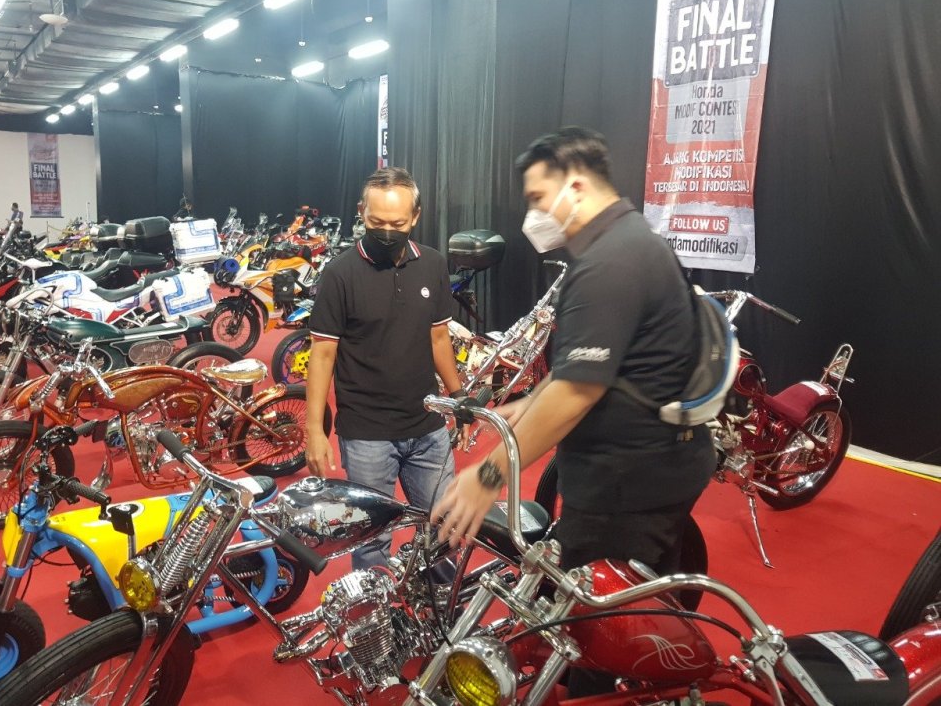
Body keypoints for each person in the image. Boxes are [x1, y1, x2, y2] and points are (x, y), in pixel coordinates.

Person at [432, 126, 716, 693]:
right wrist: (527, 403)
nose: (534, 215)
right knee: (615, 606)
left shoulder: (612, 261)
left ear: (578, 187)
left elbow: (578, 392)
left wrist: (488, 476)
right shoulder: (629, 242)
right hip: (648, 467)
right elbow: (589, 369)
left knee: (597, 628)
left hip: (628, 481)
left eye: (539, 198)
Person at [305, 166, 467, 571]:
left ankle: (442, 605)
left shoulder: (433, 264)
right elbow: (322, 354)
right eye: (377, 222)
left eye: (397, 224)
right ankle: (373, 613)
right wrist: (314, 430)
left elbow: (438, 338)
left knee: (445, 530)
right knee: (371, 543)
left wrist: (459, 396)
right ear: (362, 212)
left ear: (415, 216)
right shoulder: (340, 274)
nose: (387, 232)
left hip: (428, 428)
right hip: (367, 435)